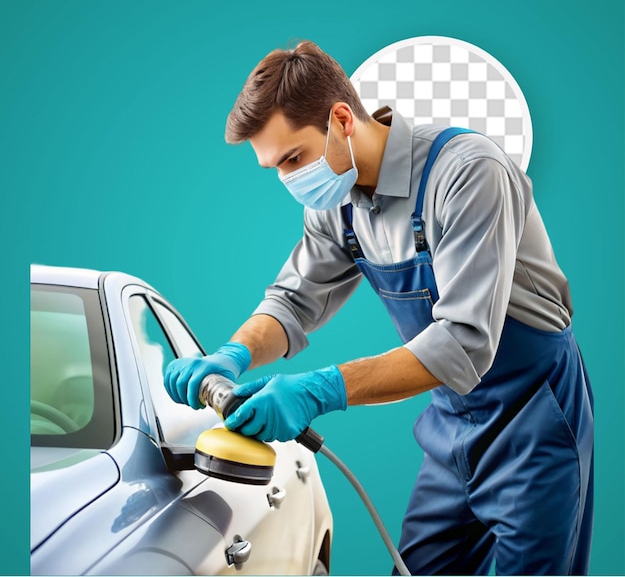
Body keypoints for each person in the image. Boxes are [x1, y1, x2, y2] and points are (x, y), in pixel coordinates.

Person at [164, 40, 594, 575]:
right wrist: (233, 353)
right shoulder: (337, 203)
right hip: (451, 423)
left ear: (341, 119)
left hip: (533, 415)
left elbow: (462, 343)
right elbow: (294, 301)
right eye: (275, 168)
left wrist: (319, 389)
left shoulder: (466, 174)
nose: (289, 179)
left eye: (294, 158)